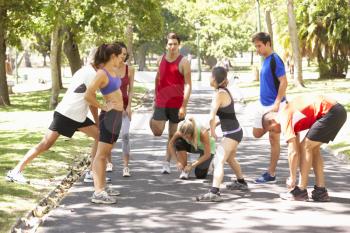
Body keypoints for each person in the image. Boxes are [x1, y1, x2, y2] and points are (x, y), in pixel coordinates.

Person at [6, 56, 101, 184]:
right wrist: (97, 121)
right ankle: (15, 171)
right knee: (45, 145)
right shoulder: (91, 74)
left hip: (76, 115)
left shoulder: (85, 70)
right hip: (67, 114)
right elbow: (92, 101)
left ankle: (91, 172)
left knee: (100, 137)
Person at [262, 95, 347, 201]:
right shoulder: (289, 115)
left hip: (331, 112)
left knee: (306, 146)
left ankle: (301, 190)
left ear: (272, 121)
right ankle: (321, 191)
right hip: (337, 111)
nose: (272, 133)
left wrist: (292, 178)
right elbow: (295, 149)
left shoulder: (283, 117)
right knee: (312, 148)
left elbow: (292, 152)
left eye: (270, 130)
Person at [196, 66, 247, 202]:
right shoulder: (223, 91)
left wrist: (212, 131)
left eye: (210, 75)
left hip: (232, 134)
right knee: (229, 159)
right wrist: (211, 127)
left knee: (218, 160)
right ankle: (241, 182)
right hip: (235, 131)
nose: (209, 77)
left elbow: (211, 117)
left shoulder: (219, 94)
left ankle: (214, 192)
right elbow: (226, 116)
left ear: (214, 78)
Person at [85, 43, 126, 204]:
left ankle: (102, 187)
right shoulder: (102, 73)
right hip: (109, 117)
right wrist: (102, 106)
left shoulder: (113, 71)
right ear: (113, 56)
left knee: (105, 153)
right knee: (101, 155)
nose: (122, 58)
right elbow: (88, 95)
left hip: (116, 116)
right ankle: (98, 192)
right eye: (119, 56)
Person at [149, 32, 192, 174]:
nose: (172, 47)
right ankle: (152, 117)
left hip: (176, 104)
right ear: (166, 45)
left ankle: (166, 162)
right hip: (161, 101)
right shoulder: (160, 59)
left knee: (172, 135)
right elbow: (157, 79)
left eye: (175, 44)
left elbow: (188, 85)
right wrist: (155, 98)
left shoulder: (184, 62)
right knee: (157, 131)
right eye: (169, 44)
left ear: (179, 45)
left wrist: (184, 106)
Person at [251, 32, 288, 184]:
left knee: (273, 139)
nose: (257, 49)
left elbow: (284, 82)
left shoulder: (275, 59)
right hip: (262, 106)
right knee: (256, 133)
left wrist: (278, 103)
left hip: (275, 106)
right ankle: (276, 126)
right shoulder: (265, 60)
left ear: (267, 44)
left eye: (259, 46)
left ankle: (271, 173)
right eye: (256, 46)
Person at [105, 42, 135, 177]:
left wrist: (128, 106)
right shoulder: (109, 68)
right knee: (110, 136)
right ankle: (109, 162)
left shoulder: (130, 69)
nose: (123, 56)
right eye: (120, 54)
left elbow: (131, 90)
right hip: (112, 106)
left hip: (125, 108)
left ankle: (126, 166)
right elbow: (106, 89)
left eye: (124, 54)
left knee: (126, 135)